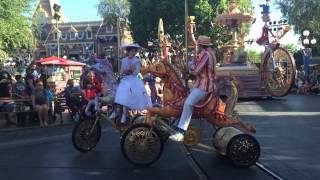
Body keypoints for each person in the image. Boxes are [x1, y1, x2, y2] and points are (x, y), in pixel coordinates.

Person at [169, 36, 217, 141]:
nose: (197, 47)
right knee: (183, 97)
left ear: (200, 45)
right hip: (201, 84)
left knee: (188, 103)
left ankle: (181, 132)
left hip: (204, 86)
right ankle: (177, 124)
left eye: (198, 45)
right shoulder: (211, 53)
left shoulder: (205, 54)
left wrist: (187, 70)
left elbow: (196, 71)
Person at [115, 43, 152, 125]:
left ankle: (135, 112)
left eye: (134, 51)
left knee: (136, 94)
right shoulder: (124, 60)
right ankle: (124, 114)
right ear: (128, 51)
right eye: (132, 51)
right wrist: (125, 71)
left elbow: (136, 72)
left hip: (133, 79)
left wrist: (131, 71)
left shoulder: (137, 60)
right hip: (125, 79)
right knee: (123, 96)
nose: (133, 53)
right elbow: (121, 71)